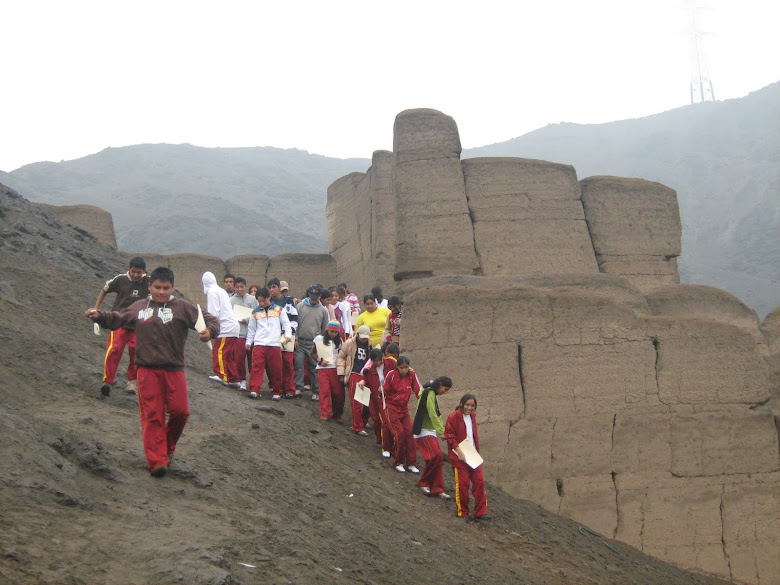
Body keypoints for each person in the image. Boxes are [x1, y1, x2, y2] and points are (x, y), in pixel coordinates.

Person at [85, 266, 218, 477]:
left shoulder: (183, 307)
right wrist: (98, 316)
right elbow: (117, 318)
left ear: (173, 287)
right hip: (146, 370)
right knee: (152, 415)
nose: (162, 292)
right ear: (150, 286)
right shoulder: (139, 307)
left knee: (181, 412)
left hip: (174, 369)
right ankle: (156, 461)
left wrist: (209, 332)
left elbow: (210, 319)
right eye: (157, 287)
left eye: (166, 288)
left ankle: (167, 447)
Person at [93, 256, 151, 395]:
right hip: (119, 321)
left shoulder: (149, 282)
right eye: (133, 271)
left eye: (139, 272)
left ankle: (132, 381)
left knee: (136, 351)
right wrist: (96, 308)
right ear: (129, 269)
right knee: (114, 349)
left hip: (139, 324)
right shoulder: (120, 280)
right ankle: (108, 381)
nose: (136, 275)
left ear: (144, 271)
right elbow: (105, 289)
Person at [445, 393, 487, 521]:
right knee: (462, 485)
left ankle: (480, 512)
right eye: (467, 405)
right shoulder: (454, 417)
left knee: (479, 482)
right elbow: (450, 436)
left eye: (472, 406)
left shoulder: (472, 417)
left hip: (472, 454)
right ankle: (463, 512)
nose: (469, 408)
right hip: (460, 456)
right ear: (461, 404)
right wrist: (459, 452)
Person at [246, 287, 292, 400]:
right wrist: (249, 341)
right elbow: (251, 329)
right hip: (259, 343)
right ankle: (254, 389)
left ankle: (277, 391)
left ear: (269, 298)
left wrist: (288, 335)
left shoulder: (279, 309)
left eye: (264, 301)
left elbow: (286, 324)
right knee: (256, 367)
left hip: (274, 344)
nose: (262, 303)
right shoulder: (255, 312)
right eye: (259, 301)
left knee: (276, 368)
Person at [413, 377, 453, 499]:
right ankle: (424, 482)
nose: (444, 392)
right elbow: (432, 413)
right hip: (423, 430)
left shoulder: (431, 393)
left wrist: (441, 429)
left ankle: (437, 488)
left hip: (429, 430)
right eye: (445, 389)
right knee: (435, 457)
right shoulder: (429, 393)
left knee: (438, 459)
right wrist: (441, 431)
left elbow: (436, 413)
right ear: (440, 385)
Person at [382, 356, 421, 473]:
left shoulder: (412, 375)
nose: (404, 370)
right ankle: (398, 461)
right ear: (397, 367)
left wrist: (422, 399)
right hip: (391, 408)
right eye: (401, 368)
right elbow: (385, 390)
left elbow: (418, 389)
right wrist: (381, 391)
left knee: (410, 433)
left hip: (404, 409)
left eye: (406, 367)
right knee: (399, 433)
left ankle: (411, 463)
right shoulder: (391, 375)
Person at [202, 272, 242, 386]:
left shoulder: (212, 292)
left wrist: (209, 325)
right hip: (233, 327)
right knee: (229, 355)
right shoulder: (221, 290)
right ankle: (234, 379)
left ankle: (221, 375)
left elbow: (214, 313)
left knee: (219, 351)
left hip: (226, 328)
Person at [357, 348, 397, 456]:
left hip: (389, 397)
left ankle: (388, 444)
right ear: (372, 361)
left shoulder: (392, 363)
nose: (379, 363)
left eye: (380, 360)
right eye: (376, 361)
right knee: (377, 421)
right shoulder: (370, 371)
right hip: (376, 399)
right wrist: (363, 381)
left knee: (386, 421)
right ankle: (380, 440)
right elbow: (366, 379)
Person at [294, 285, 330, 400]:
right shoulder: (300, 306)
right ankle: (298, 387)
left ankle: (316, 391)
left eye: (316, 297)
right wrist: (295, 338)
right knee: (298, 365)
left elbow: (325, 328)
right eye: (312, 296)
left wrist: (321, 343)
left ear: (320, 296)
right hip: (300, 341)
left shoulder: (323, 310)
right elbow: (295, 323)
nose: (314, 299)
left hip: (314, 343)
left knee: (314, 367)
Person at [337, 325, 373, 435]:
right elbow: (341, 357)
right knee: (356, 401)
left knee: (367, 401)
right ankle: (357, 426)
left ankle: (364, 420)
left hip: (365, 374)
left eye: (365, 337)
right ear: (357, 335)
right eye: (362, 337)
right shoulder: (349, 343)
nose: (364, 339)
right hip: (353, 373)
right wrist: (341, 374)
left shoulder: (369, 344)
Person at [268, 278, 298, 399]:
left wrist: (289, 334)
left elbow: (294, 318)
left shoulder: (289, 301)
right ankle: (277, 388)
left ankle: (290, 389)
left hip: (288, 336)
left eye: (274, 287)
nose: (272, 290)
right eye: (270, 287)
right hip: (273, 337)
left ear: (279, 288)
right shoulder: (269, 302)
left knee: (288, 363)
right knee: (275, 364)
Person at [311, 321, 345, 420]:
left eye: (336, 332)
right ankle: (325, 413)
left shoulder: (340, 341)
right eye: (331, 331)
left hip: (336, 369)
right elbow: (312, 353)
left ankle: (337, 414)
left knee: (338, 393)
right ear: (327, 330)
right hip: (323, 369)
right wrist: (320, 361)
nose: (333, 334)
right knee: (324, 391)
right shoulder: (319, 339)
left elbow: (342, 356)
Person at [230, 277, 258, 390]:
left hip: (252, 335)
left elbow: (258, 313)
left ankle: (254, 382)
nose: (239, 289)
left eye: (241, 287)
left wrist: (248, 319)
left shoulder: (252, 299)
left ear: (245, 287)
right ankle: (242, 380)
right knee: (239, 358)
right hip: (239, 334)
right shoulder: (231, 301)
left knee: (253, 360)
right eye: (237, 287)